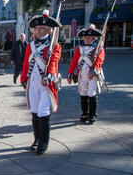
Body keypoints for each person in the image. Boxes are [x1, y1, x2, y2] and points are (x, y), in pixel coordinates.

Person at [21, 10, 61, 156]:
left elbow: (54, 63)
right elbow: (26, 63)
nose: (38, 31)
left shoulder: (54, 46)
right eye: (36, 28)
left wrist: (49, 77)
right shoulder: (31, 45)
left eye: (41, 29)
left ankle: (44, 142)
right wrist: (24, 78)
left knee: (44, 112)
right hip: (33, 81)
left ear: (48, 30)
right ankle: (37, 139)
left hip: (45, 82)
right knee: (35, 111)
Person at [67, 24, 105, 124]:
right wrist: (70, 73)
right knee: (83, 93)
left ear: (93, 38)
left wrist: (94, 71)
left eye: (89, 37)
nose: (86, 39)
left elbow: (100, 61)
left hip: (92, 75)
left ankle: (92, 115)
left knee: (92, 94)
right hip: (82, 75)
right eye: (85, 37)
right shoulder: (79, 48)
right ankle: (85, 113)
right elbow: (74, 62)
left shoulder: (98, 48)